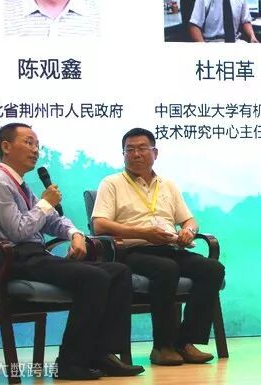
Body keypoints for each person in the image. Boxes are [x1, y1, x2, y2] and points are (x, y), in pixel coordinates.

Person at [0, 123, 143, 380]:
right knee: (94, 277)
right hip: (6, 258)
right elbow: (18, 231)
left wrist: (75, 234)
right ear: (6, 146)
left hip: (30, 255)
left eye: (37, 145)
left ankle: (102, 353)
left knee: (118, 272)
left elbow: (51, 222)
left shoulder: (21, 186)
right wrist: (46, 203)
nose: (36, 150)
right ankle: (70, 363)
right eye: (29, 143)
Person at [92, 128, 225, 366]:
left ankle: (185, 342)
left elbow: (189, 220)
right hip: (131, 251)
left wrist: (188, 231)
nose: (136, 154)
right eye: (130, 150)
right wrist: (143, 233)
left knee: (213, 269)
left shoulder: (168, 185)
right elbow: (99, 225)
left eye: (142, 148)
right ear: (123, 154)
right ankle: (162, 346)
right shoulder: (111, 183)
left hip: (169, 248)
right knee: (166, 269)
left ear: (155, 153)